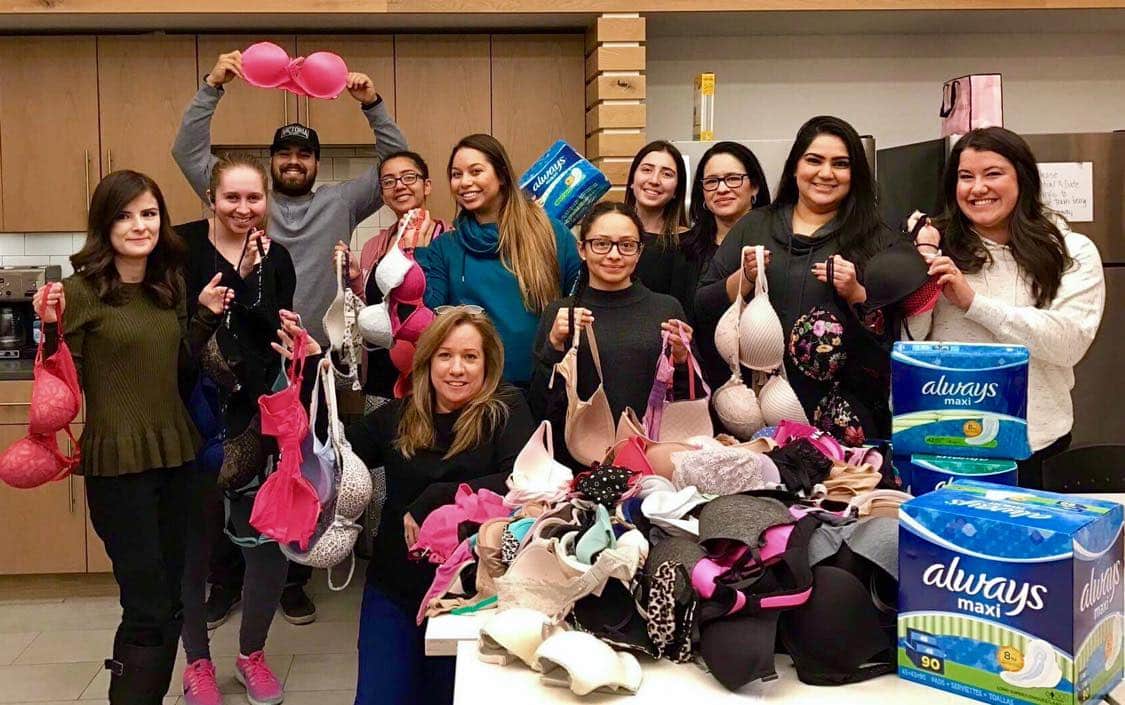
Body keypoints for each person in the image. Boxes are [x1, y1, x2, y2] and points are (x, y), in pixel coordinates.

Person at [173, 48, 408, 621]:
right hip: (240, 366)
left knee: (306, 469)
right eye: (285, 153)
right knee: (235, 472)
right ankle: (226, 580)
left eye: (305, 153)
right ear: (272, 162)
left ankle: (292, 578)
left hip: (314, 367)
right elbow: (188, 152)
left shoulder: (342, 201)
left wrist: (371, 104)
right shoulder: (249, 202)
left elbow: (398, 162)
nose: (294, 161)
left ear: (315, 162)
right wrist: (213, 85)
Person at [32, 171, 228, 705]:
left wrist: (206, 318)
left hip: (178, 458)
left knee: (172, 605)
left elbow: (177, 370)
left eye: (148, 213)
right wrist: (47, 327)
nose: (139, 225)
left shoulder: (170, 286)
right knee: (146, 608)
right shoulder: (78, 294)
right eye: (124, 215)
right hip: (119, 467)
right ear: (103, 224)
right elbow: (54, 383)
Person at [275, 307, 535, 705]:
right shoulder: (398, 416)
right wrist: (312, 367)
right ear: (428, 361)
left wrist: (437, 496)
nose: (457, 369)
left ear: (488, 363)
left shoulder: (506, 410)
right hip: (395, 585)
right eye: (445, 355)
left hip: (469, 598)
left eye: (470, 356)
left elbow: (519, 482)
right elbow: (335, 451)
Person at [908, 127, 1105, 489]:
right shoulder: (935, 248)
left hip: (1034, 446)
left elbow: (1069, 343)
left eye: (993, 173)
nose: (978, 188)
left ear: (1023, 179)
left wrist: (973, 303)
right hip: (941, 442)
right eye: (966, 177)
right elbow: (910, 340)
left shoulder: (1071, 251)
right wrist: (918, 265)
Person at [696, 115, 899, 442]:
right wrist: (745, 279)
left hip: (846, 426)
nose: (825, 173)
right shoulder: (755, 226)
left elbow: (899, 338)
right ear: (794, 167)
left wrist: (857, 293)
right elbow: (703, 306)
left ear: (855, 174)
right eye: (814, 160)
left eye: (840, 164)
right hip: (757, 421)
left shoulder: (876, 239)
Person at [177, 154, 297, 705]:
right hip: (189, 421)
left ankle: (252, 654)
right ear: (210, 196)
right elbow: (177, 333)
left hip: (256, 422)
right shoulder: (177, 250)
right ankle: (197, 663)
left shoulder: (279, 259)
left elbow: (268, 332)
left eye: (255, 199)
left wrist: (292, 338)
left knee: (265, 542)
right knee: (194, 549)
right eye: (232, 198)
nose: (244, 209)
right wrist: (236, 278)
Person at [529, 202, 694, 463]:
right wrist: (553, 346)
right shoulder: (561, 314)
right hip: (578, 464)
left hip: (654, 462)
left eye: (627, 245)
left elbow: (687, 400)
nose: (614, 255)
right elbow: (540, 406)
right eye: (601, 243)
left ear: (639, 252)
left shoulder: (666, 308)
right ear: (582, 249)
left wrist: (683, 359)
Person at [415, 134, 581, 388]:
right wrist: (419, 256)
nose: (465, 182)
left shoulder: (551, 234)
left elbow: (580, 299)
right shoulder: (444, 248)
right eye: (456, 174)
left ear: (502, 176)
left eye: (476, 171)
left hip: (542, 387)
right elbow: (428, 317)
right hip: (473, 393)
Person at [334, 150, 450, 401]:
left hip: (431, 383)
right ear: (383, 194)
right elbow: (376, 312)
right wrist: (355, 279)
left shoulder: (449, 240)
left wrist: (418, 250)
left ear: (426, 186)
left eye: (409, 177)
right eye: (389, 181)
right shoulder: (373, 246)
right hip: (379, 378)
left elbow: (444, 309)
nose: (399, 186)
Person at [681, 142, 772, 388]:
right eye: (712, 181)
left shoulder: (777, 244)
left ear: (754, 186)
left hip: (772, 385)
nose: (722, 189)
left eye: (733, 179)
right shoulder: (684, 250)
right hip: (701, 386)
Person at [624, 140, 692, 313]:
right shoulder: (608, 234)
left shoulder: (688, 244)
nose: (654, 180)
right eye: (647, 170)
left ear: (677, 189)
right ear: (632, 179)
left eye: (667, 174)